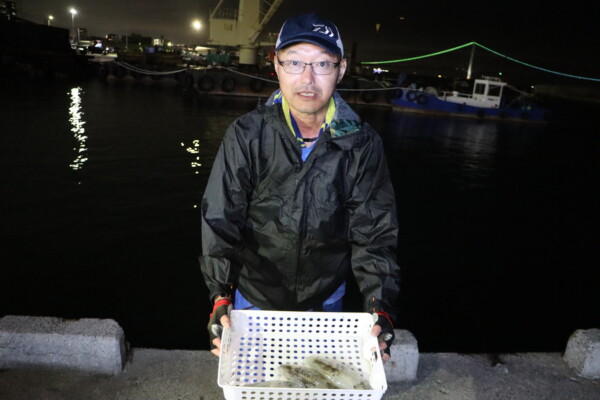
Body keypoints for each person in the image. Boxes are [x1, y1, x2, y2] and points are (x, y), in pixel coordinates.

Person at [200, 13, 400, 361]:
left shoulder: (363, 145)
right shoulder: (247, 135)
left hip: (325, 298)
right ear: (275, 67)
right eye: (294, 62)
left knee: (317, 377)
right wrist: (220, 297)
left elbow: (374, 232)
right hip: (254, 298)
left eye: (322, 63)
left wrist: (378, 308)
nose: (308, 78)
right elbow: (220, 219)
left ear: (341, 69)